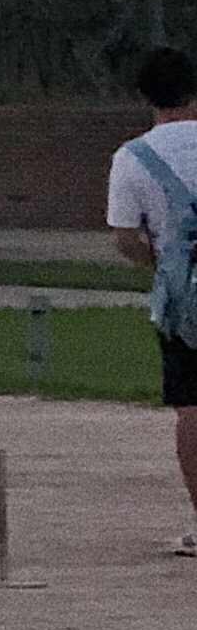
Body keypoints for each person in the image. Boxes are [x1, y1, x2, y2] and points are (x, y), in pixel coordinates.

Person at [104, 42, 197, 555]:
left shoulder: (133, 158)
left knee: (191, 408)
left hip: (185, 297)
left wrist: (160, 264)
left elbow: (123, 236)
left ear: (146, 98)